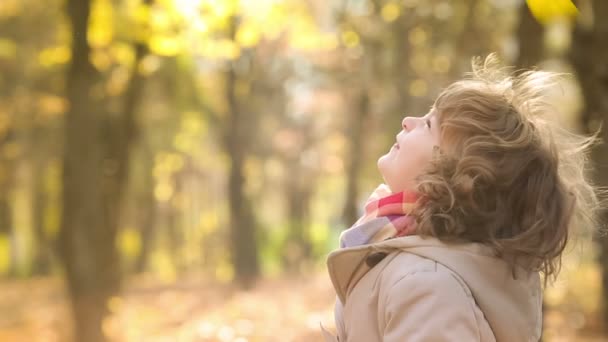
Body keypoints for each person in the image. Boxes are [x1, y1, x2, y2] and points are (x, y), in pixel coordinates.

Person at [321, 55, 601, 341]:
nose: (408, 121)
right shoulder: (398, 248)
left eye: (430, 125)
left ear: (461, 179)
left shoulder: (428, 285)